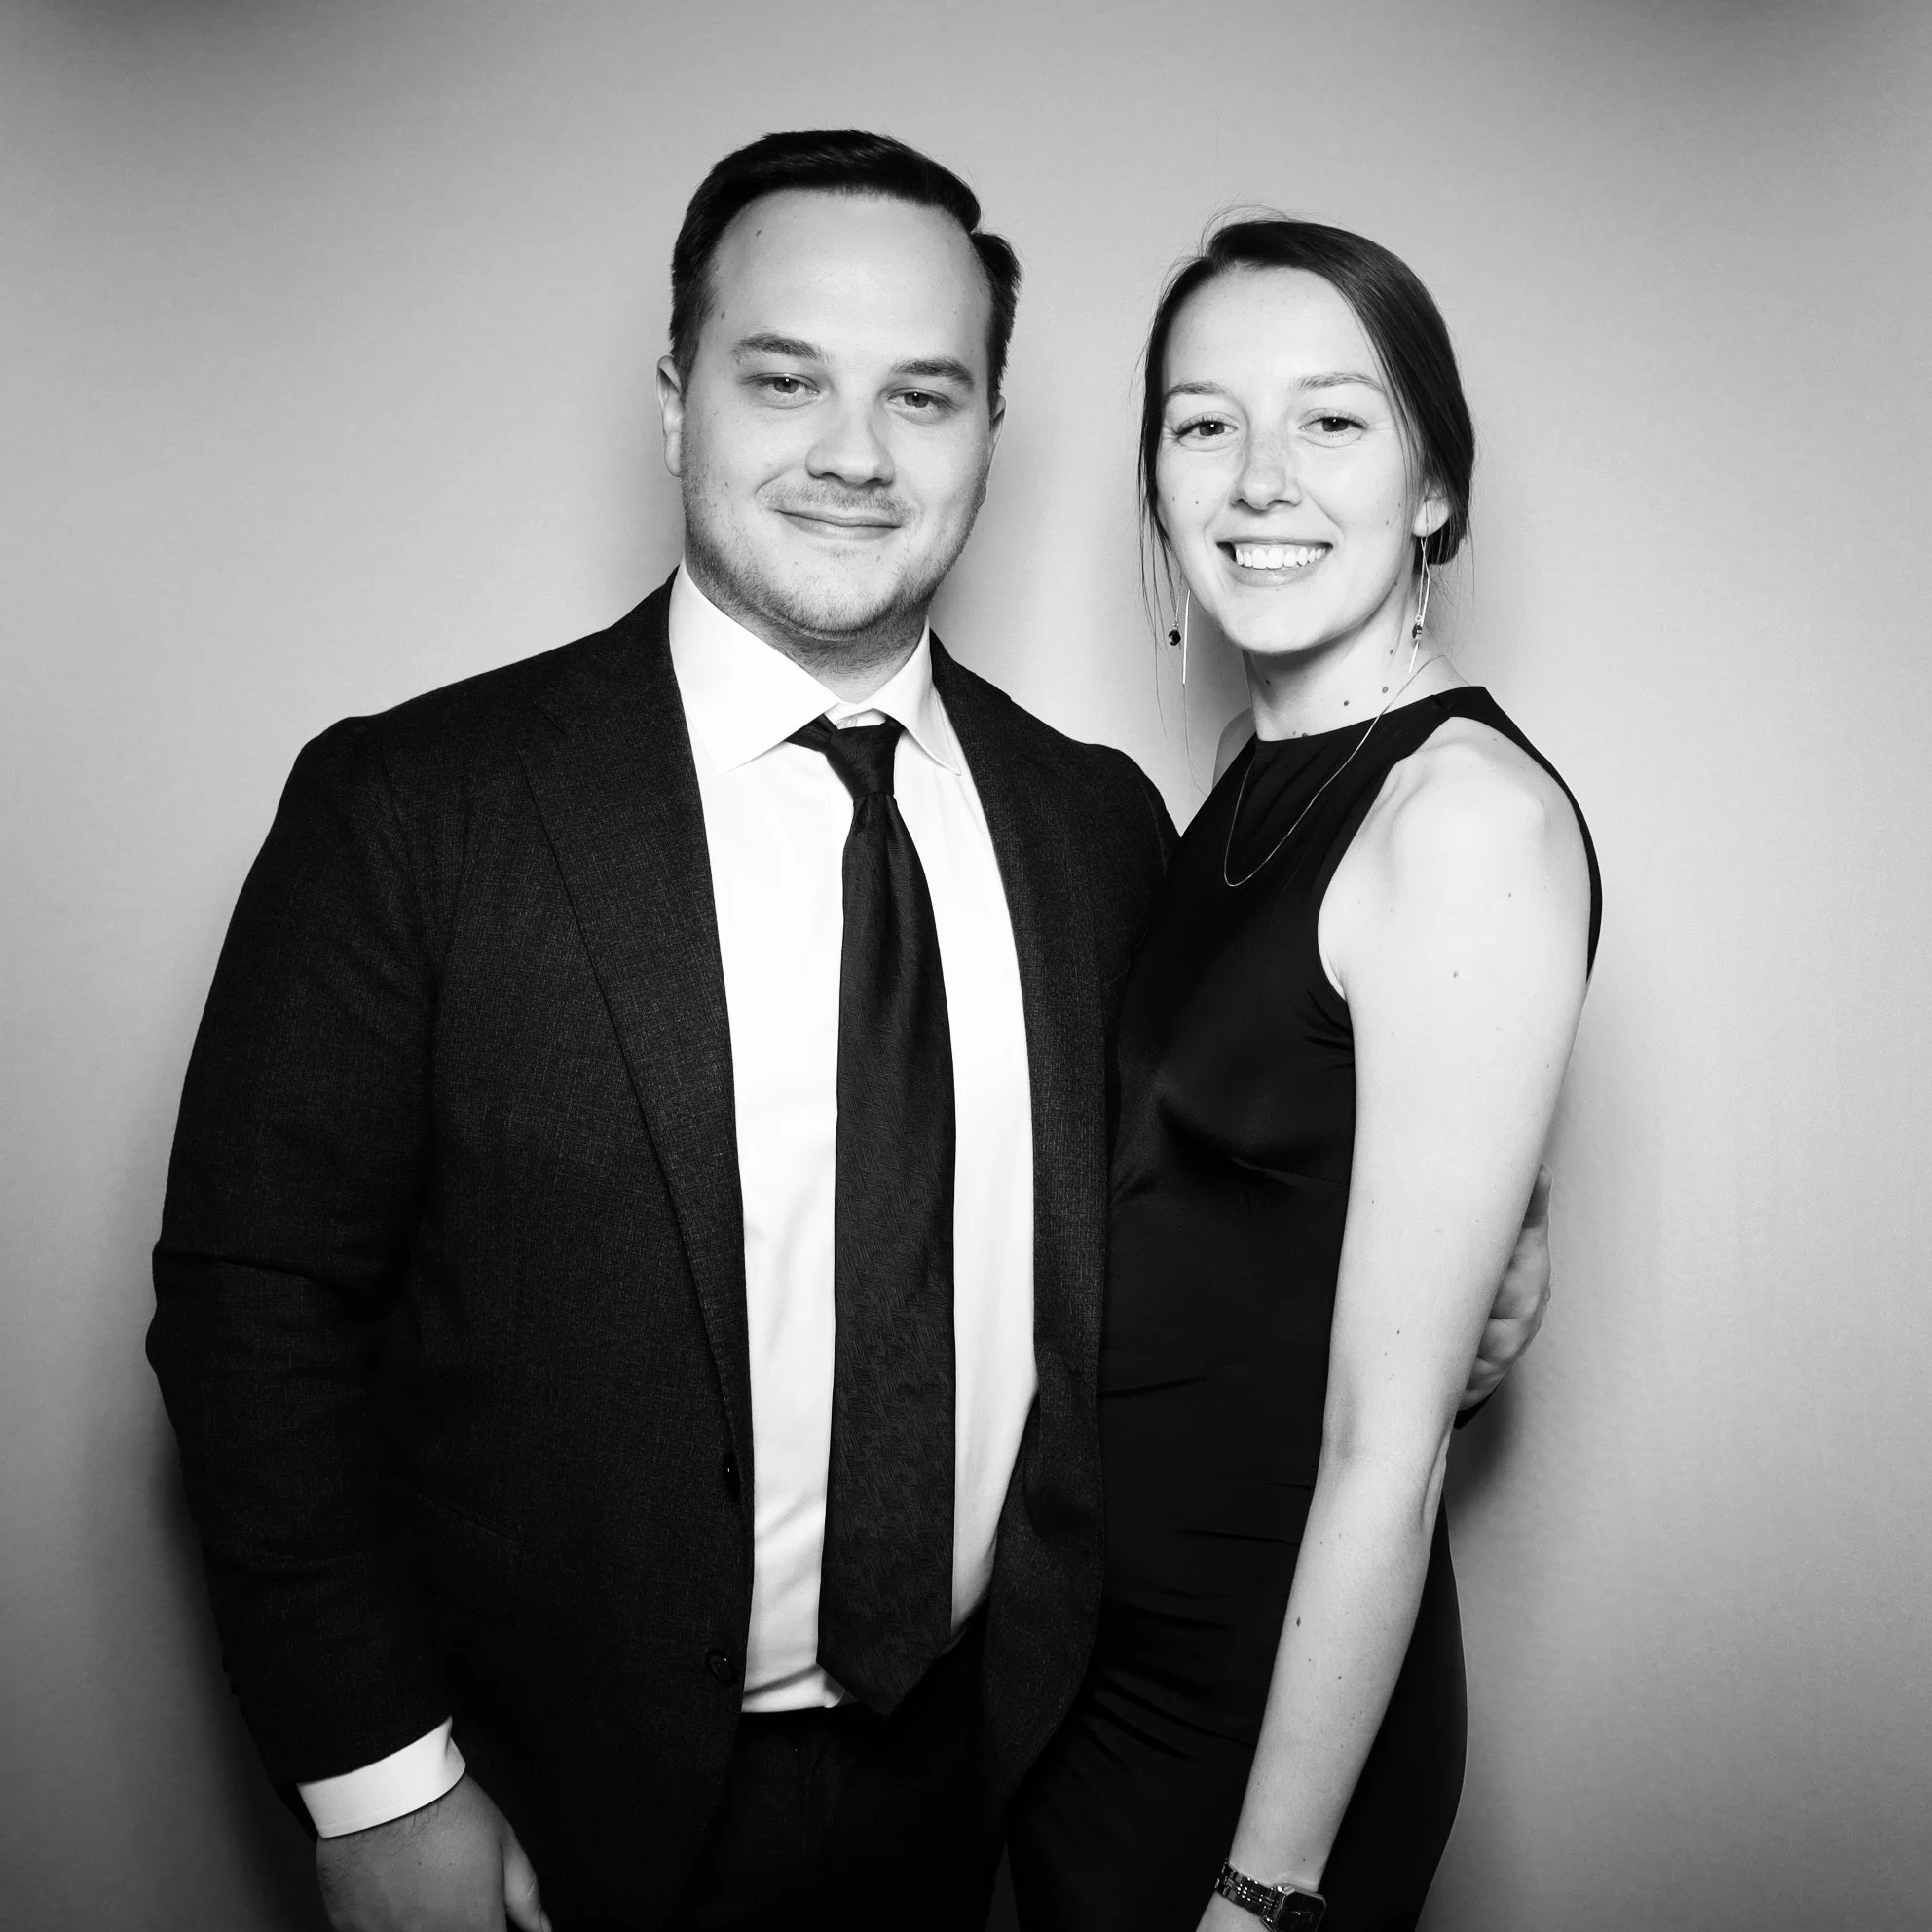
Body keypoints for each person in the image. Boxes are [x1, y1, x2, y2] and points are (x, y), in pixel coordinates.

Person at [147, 138, 1552, 1932]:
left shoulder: (1101, 827)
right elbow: (251, 1305)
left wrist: (1492, 1232)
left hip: (991, 1779)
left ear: (991, 432)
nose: (853, 455)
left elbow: (1257, 1152)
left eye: (924, 394)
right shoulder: (412, 810)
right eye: (784, 379)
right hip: (540, 1814)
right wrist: (377, 1787)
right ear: (675, 404)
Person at [1008, 220, 1602, 1932]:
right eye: (1205, 424)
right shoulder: (1235, 782)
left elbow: (1387, 1449)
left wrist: (1261, 1892)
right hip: (1104, 1672)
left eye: (1332, 420)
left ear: (1433, 483)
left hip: (1264, 1729)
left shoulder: (1465, 820)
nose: (1261, 478)